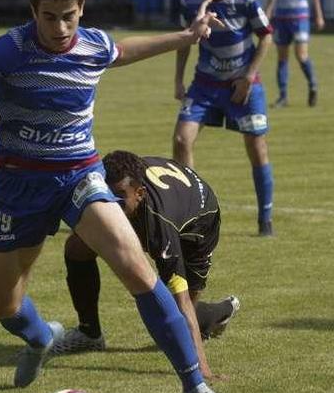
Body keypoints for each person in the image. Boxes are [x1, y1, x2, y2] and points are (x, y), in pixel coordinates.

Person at [0, 0, 244, 393]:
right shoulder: (10, 50)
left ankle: (196, 388)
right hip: (19, 187)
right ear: (34, 11)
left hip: (80, 175)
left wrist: (187, 36)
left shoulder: (92, 43)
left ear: (82, 9)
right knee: (3, 306)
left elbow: (125, 50)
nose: (60, 27)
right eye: (49, 16)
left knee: (137, 268)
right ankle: (38, 339)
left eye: (69, 16)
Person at [53, 151, 242, 380]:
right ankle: (89, 333)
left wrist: (204, 373)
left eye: (120, 196)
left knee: (178, 312)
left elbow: (182, 304)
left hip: (200, 222)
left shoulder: (158, 226)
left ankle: (220, 312)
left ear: (139, 193)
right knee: (77, 247)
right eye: (107, 194)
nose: (111, 203)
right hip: (165, 199)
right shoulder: (101, 186)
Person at [174, 0, 275, 237]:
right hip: (204, 85)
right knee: (182, 140)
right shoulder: (189, 1)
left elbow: (265, 35)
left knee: (257, 147)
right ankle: (191, 216)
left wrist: (248, 77)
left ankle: (265, 219)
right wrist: (178, 81)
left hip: (243, 85)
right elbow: (185, 40)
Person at [264, 0, 325, 108]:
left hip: (300, 17)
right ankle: (283, 97)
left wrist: (319, 15)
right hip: (281, 17)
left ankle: (312, 85)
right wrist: (267, 13)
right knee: (282, 58)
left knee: (301, 55)